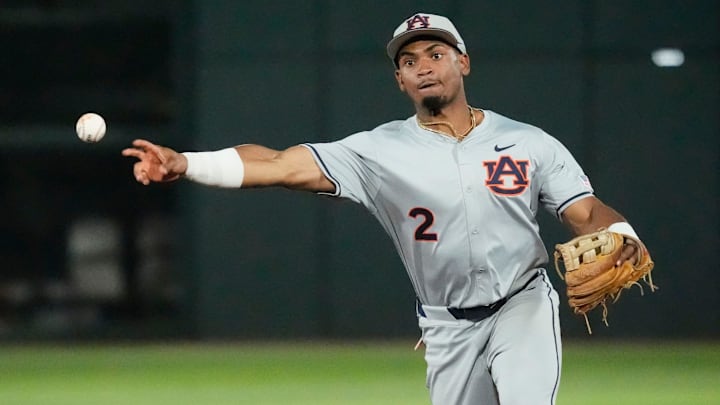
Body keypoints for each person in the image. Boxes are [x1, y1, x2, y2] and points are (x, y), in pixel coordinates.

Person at [122, 12, 646, 405]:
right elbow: (279, 164)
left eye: (435, 54)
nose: (423, 67)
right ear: (399, 80)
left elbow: (585, 211)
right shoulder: (377, 151)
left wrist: (620, 232)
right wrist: (185, 163)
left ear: (463, 62)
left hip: (521, 305)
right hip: (447, 326)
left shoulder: (529, 142)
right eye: (408, 61)